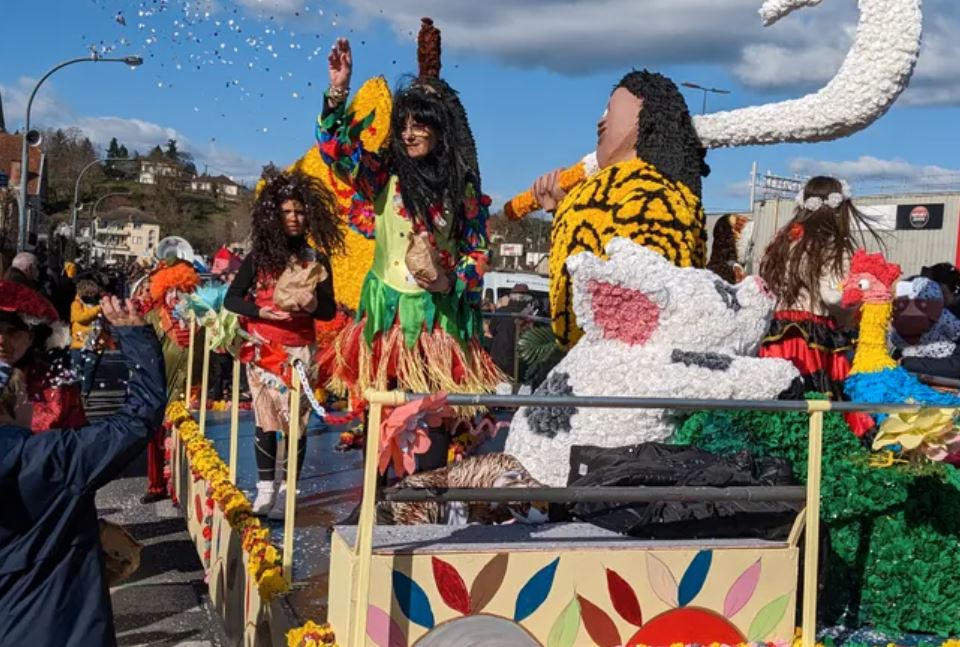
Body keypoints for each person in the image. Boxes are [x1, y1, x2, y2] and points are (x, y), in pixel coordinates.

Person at [317, 21, 502, 471]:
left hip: (437, 318)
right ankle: (380, 511)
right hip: (387, 313)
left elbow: (477, 253)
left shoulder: (463, 190)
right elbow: (336, 153)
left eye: (421, 125)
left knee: (433, 415)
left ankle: (426, 512)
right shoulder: (381, 174)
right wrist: (337, 93)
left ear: (440, 131)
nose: (411, 133)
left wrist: (448, 280)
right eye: (404, 125)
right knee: (381, 409)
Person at [0, 296, 165, 647]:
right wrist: (136, 337)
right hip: (62, 627)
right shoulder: (50, 457)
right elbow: (138, 418)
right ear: (15, 401)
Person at [526, 70, 710, 349]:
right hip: (588, 358)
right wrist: (559, 208)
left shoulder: (653, 193)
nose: (601, 120)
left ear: (647, 114)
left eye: (610, 109)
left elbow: (642, 299)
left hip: (625, 367)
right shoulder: (609, 186)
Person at [225, 168, 341, 519]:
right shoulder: (259, 257)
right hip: (263, 349)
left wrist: (311, 306)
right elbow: (231, 299)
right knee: (264, 421)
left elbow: (329, 310)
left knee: (297, 423)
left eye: (300, 212)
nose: (294, 218)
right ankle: (264, 489)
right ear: (274, 215)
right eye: (287, 211)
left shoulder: (316, 260)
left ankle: (290, 487)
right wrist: (260, 311)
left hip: (300, 352)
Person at [758, 176, 881, 401]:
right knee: (816, 399)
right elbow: (832, 296)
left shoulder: (783, 241)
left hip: (775, 331)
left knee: (777, 396)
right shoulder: (832, 244)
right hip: (810, 334)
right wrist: (859, 301)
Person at [139, 260, 201, 504]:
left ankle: (181, 487)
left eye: (182, 290)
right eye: (172, 290)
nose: (177, 296)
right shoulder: (154, 318)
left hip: (193, 387)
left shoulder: (201, 319)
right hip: (161, 386)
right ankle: (156, 486)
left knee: (188, 440)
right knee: (156, 438)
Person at [0, 279, 87, 432]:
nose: (1, 341)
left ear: (31, 338)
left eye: (13, 332)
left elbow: (76, 446)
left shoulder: (57, 387)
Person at [488, 284, 537, 381]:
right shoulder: (532, 316)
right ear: (528, 299)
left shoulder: (501, 311)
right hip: (521, 358)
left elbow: (492, 330)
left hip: (500, 356)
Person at [70, 278, 107, 398]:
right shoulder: (76, 304)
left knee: (90, 369)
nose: (91, 296)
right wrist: (97, 310)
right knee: (77, 369)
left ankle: (84, 394)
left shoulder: (99, 303)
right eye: (88, 293)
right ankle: (76, 394)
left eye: (93, 293)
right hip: (79, 343)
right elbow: (80, 318)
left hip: (96, 343)